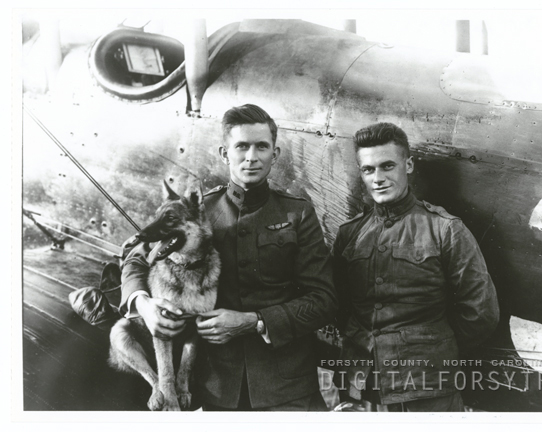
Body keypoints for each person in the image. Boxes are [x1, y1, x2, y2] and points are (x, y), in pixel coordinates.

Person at [120, 104, 337, 411]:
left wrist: (254, 321)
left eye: (262, 146)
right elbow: (137, 258)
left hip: (287, 390)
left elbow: (323, 301)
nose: (252, 157)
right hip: (214, 387)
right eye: (242, 147)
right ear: (225, 154)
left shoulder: (297, 213)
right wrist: (143, 304)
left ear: (274, 155)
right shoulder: (198, 212)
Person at [332, 122, 499, 412]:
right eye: (368, 170)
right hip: (361, 386)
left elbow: (480, 312)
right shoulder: (350, 233)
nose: (378, 179)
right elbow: (341, 305)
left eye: (387, 166)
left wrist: (432, 352)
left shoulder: (445, 230)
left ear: (407, 165)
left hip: (428, 389)